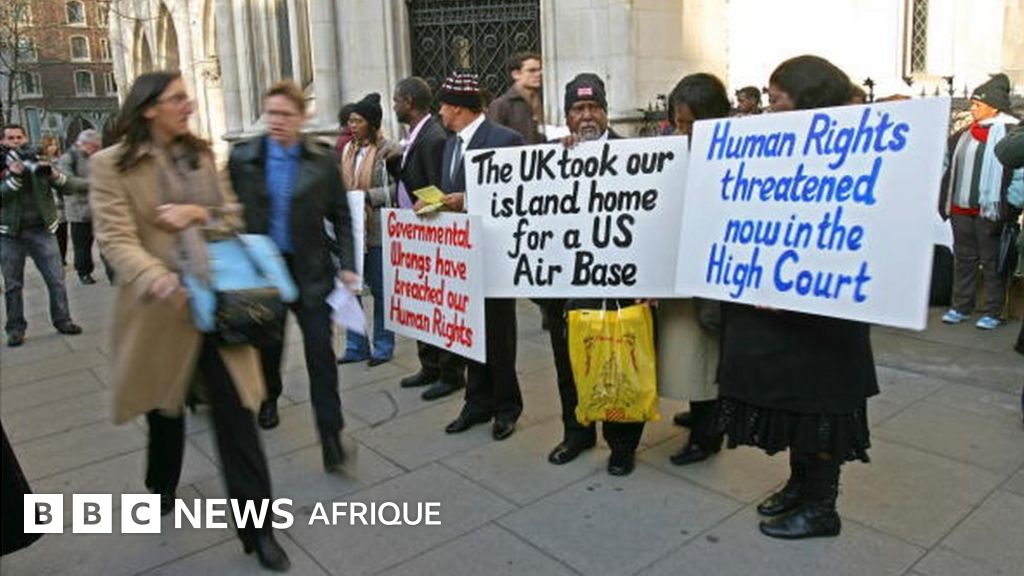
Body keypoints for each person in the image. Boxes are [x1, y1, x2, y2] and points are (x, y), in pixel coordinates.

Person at [89, 71, 289, 571]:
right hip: (161, 311)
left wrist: (195, 213)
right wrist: (154, 276)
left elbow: (232, 216)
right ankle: (161, 485)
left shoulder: (200, 155)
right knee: (166, 408)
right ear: (149, 107)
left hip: (218, 306)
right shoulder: (110, 165)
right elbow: (115, 237)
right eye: (178, 99)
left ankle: (259, 531)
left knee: (237, 415)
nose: (189, 106)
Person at [712, 55, 878, 540]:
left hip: (825, 317)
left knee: (820, 405)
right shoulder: (771, 149)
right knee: (794, 403)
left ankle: (822, 506)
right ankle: (801, 485)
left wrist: (796, 284)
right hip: (781, 311)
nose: (768, 110)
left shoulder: (856, 148)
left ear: (808, 99)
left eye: (776, 99)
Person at [228, 80, 358, 472]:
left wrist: (348, 264)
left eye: (286, 114)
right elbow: (228, 210)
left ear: (302, 118)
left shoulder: (321, 160)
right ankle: (269, 396)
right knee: (269, 346)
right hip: (265, 274)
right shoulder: (243, 158)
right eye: (272, 113)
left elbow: (341, 214)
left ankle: (331, 438)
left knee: (321, 355)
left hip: (311, 272)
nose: (277, 121)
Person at [541, 73, 644, 476]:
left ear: (605, 112)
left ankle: (622, 444)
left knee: (619, 363)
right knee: (569, 363)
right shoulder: (549, 159)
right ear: (566, 116)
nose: (586, 116)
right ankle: (577, 432)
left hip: (617, 284)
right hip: (566, 285)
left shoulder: (635, 155)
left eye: (593, 107)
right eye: (578, 109)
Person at [422, 70, 525, 441]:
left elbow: (516, 194)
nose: (439, 113)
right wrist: (433, 204)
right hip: (460, 259)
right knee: (469, 333)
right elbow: (449, 191)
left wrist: (465, 200)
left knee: (498, 335)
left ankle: (506, 407)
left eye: (443, 106)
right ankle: (476, 402)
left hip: (494, 255)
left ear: (457, 108)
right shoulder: (450, 144)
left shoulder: (505, 140)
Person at [659, 73, 731, 466]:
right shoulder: (676, 147)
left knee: (703, 357)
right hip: (679, 272)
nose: (681, 130)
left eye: (689, 123)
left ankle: (707, 434)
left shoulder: (727, 154)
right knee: (687, 352)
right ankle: (700, 410)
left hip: (707, 275)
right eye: (678, 122)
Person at [390, 76, 469, 400]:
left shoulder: (434, 136)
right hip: (414, 231)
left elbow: (441, 186)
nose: (394, 106)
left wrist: (428, 206)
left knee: (441, 304)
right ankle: (430, 364)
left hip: (433, 231)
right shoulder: (415, 135)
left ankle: (450, 372)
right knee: (421, 303)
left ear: (408, 102)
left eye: (396, 100)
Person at [939, 73, 1022, 330]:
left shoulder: (1011, 134)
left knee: (993, 261)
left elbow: (1020, 173)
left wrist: (1011, 203)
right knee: (963, 259)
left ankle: (993, 311)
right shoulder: (962, 134)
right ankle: (960, 306)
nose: (972, 108)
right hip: (961, 208)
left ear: (994, 107)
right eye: (972, 104)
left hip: (993, 210)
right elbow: (945, 164)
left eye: (977, 104)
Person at [1, 124, 83, 347]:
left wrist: (53, 174)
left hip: (41, 230)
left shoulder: (37, 159)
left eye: (19, 137)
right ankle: (15, 329)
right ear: (3, 141)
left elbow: (69, 187)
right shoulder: (2, 164)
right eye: (10, 138)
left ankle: (63, 320)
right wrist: (14, 176)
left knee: (56, 279)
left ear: (25, 138)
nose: (15, 141)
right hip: (10, 234)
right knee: (13, 285)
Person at [337, 93, 400, 367]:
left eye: (358, 121)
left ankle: (383, 346)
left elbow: (399, 189)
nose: (352, 125)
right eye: (350, 121)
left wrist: (368, 196)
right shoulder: (347, 150)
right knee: (350, 288)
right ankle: (356, 345)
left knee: (381, 290)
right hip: (351, 231)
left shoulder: (390, 150)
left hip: (376, 231)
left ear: (372, 124)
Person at [57, 129, 106, 284]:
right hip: (79, 210)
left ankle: (113, 273)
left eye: (98, 147)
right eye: (93, 147)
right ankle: (84, 272)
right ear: (83, 144)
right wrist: (95, 183)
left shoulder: (98, 157)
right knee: (82, 246)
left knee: (107, 242)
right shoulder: (68, 158)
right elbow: (68, 182)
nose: (96, 150)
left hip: (101, 207)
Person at [487, 52, 545, 144]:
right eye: (532, 70)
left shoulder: (541, 101)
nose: (538, 74)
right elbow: (494, 139)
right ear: (516, 74)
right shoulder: (501, 105)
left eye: (540, 70)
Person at [39, 134, 68, 266]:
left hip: (61, 201)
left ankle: (62, 258)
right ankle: (53, 259)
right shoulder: (40, 162)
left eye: (55, 145)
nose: (53, 147)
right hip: (49, 201)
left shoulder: (60, 160)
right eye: (50, 145)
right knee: (51, 233)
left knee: (62, 232)